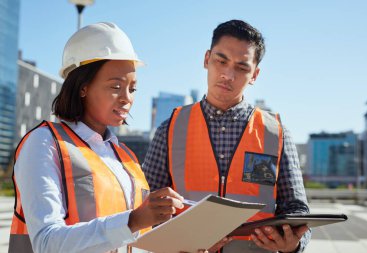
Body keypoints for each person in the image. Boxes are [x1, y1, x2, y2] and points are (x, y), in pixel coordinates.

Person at [8, 22, 185, 253]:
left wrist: (182, 244)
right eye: (116, 86)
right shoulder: (44, 143)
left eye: (132, 89)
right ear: (83, 87)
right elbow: (46, 242)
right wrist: (133, 220)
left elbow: (136, 239)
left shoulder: (126, 158)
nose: (127, 98)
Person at [143, 19, 311, 253]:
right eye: (221, 61)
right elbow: (145, 206)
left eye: (242, 68)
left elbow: (296, 209)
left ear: (255, 74)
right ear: (206, 59)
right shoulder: (170, 128)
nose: (228, 75)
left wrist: (295, 245)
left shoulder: (276, 133)